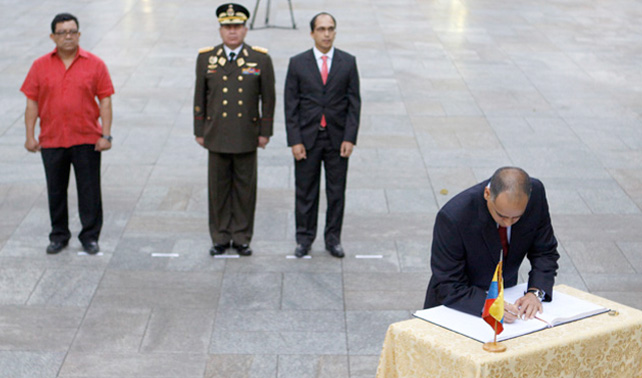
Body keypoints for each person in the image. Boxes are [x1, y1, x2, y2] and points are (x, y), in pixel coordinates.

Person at [21, 13, 114, 255]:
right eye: (62, 33)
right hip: (52, 139)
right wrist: (30, 136)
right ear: (53, 37)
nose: (68, 36)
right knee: (55, 189)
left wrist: (106, 135)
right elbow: (31, 103)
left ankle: (90, 236)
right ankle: (59, 235)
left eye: (72, 31)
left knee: (90, 189)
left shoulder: (95, 64)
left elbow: (105, 100)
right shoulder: (39, 66)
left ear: (79, 34)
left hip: (86, 139)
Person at [423, 167, 560, 322]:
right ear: (487, 194)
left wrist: (535, 293)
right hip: (458, 306)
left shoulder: (536, 195)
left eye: (516, 218)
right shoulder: (454, 217)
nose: (508, 223)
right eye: (501, 215)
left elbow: (545, 252)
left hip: (506, 295)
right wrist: (488, 305)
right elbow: (448, 284)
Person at [194, 3, 275, 257]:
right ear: (220, 30)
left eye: (237, 27)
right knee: (217, 189)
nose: (232, 32)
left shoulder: (259, 58)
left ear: (245, 29)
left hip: (245, 134)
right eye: (227, 27)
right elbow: (200, 97)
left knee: (244, 189)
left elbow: (268, 98)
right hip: (216, 133)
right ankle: (219, 236)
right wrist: (200, 129)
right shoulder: (206, 58)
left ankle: (241, 236)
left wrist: (265, 132)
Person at [284, 12, 361, 259]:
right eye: (321, 29)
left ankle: (333, 239)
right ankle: (304, 238)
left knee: (336, 192)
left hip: (337, 140)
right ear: (312, 33)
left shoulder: (347, 62)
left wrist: (350, 137)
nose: (326, 34)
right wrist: (295, 140)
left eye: (330, 29)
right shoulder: (298, 63)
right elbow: (290, 105)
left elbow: (354, 103)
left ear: (335, 32)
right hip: (307, 139)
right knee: (305, 191)